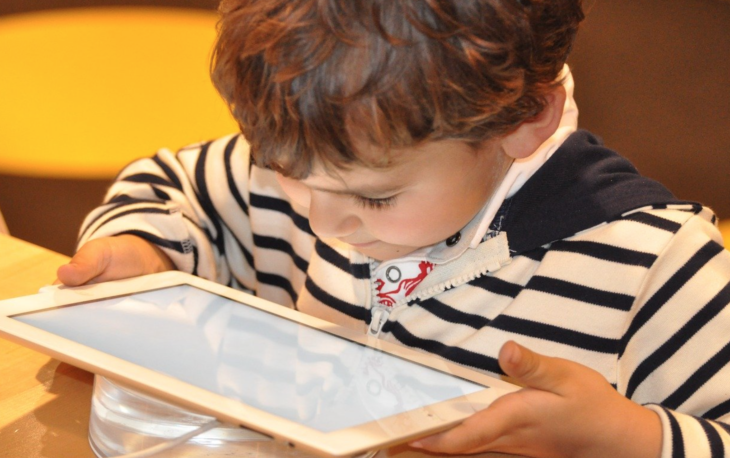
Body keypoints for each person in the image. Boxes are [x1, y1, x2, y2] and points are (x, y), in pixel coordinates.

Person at [57, 0, 730, 456]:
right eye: (287, 173)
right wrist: (141, 248)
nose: (323, 221)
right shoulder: (327, 159)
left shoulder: (653, 268)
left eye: (375, 199)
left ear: (524, 120)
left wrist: (632, 437)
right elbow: (174, 188)